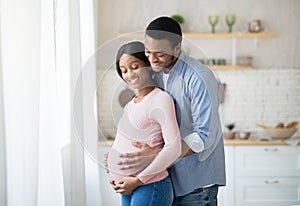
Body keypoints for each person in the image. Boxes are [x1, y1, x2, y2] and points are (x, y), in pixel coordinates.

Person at [111, 17, 226, 206]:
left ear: (177, 48)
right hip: (168, 177)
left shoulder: (198, 77)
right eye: (148, 52)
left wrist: (157, 153)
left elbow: (205, 136)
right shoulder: (157, 73)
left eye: (160, 54)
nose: (152, 59)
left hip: (196, 184)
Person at [107, 41, 182, 206]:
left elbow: (174, 148)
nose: (129, 74)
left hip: (150, 184)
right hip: (128, 186)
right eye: (124, 70)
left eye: (134, 67)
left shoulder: (161, 99)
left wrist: (138, 180)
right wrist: (113, 159)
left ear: (148, 65)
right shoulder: (130, 105)